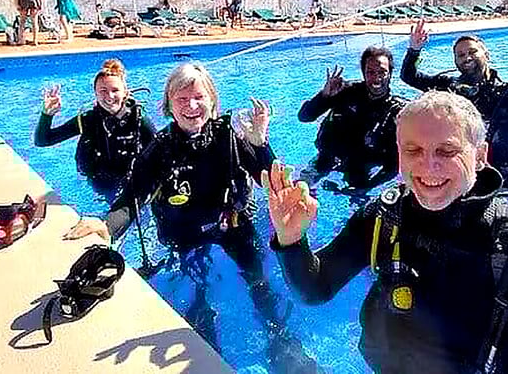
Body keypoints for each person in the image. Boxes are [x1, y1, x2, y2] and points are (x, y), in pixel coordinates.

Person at [265, 91, 508, 374]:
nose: (428, 165)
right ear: (399, 154)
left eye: (447, 150)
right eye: (413, 150)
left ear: (480, 155)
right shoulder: (383, 215)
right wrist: (291, 240)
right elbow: (315, 289)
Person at [63, 63, 319, 370]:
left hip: (231, 226)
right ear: (169, 105)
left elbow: (272, 181)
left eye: (198, 97)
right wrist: (105, 226)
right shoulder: (159, 149)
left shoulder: (230, 135)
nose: (192, 106)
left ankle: (281, 339)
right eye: (181, 100)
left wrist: (260, 144)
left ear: (212, 100)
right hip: (184, 236)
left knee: (258, 280)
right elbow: (131, 199)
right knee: (196, 294)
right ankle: (206, 350)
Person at [400, 19, 508, 188]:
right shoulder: (448, 87)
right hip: (457, 172)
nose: (467, 57)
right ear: (456, 61)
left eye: (472, 51)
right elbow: (408, 76)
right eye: (461, 55)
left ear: (486, 55)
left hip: (496, 177)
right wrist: (414, 49)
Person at [34, 59, 156, 194]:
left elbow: (160, 154)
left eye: (115, 90)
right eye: (103, 90)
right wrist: (47, 115)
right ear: (95, 94)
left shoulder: (139, 120)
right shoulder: (87, 119)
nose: (109, 96)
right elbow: (43, 141)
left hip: (130, 182)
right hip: (98, 181)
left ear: (125, 92)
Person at [298, 46, 406, 193]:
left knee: (362, 207)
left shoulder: (396, 112)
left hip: (361, 168)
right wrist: (324, 96)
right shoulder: (345, 91)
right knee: (299, 190)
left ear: (390, 74)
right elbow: (304, 117)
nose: (376, 78)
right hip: (327, 157)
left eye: (382, 72)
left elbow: (394, 165)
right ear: (363, 73)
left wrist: (366, 188)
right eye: (370, 72)